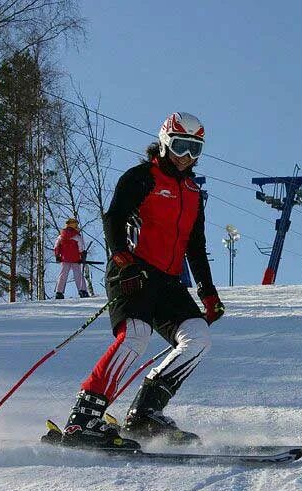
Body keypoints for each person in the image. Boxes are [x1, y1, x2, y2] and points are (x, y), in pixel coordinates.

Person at [57, 112, 224, 450]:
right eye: (180, 146)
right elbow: (114, 217)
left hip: (167, 282)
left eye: (195, 149)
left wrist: (207, 291)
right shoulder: (141, 177)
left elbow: (196, 245)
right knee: (135, 335)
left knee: (199, 337)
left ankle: (146, 414)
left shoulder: (192, 191)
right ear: (164, 142)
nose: (187, 156)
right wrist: (122, 258)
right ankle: (82, 421)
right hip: (133, 271)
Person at [53, 218, 89, 299]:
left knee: (63, 275)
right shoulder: (77, 236)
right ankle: (83, 291)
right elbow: (81, 248)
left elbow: (56, 246)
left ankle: (59, 292)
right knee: (78, 275)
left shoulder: (61, 236)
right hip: (75, 259)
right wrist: (82, 255)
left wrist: (57, 256)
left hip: (64, 259)